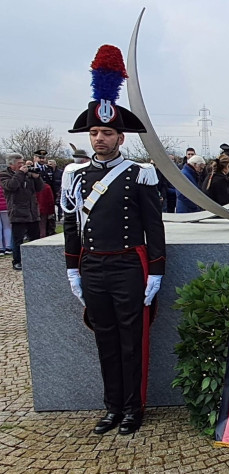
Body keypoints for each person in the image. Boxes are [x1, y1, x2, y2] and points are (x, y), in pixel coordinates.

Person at [60, 45, 165, 436]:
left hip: (127, 266)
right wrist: (73, 268)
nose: (99, 138)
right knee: (104, 339)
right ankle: (112, 407)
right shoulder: (74, 175)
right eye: (94, 132)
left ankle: (134, 407)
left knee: (132, 340)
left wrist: (155, 272)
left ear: (121, 138)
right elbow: (71, 224)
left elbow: (155, 228)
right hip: (93, 265)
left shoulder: (140, 173)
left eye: (106, 132)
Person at [0, 153, 44, 270]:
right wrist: (20, 173)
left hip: (32, 211)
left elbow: (40, 188)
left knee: (35, 238)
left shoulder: (27, 175)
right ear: (12, 165)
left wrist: (37, 177)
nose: (22, 165)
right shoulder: (4, 175)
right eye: (19, 163)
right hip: (17, 211)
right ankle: (17, 261)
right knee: (18, 239)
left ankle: (35, 259)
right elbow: (11, 186)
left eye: (22, 163)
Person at [0, 183, 11, 254]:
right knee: (7, 227)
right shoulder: (4, 181)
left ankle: (0, 247)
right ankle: (8, 247)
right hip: (5, 206)